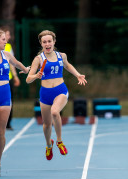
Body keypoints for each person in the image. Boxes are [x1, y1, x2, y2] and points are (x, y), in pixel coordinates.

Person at [26, 30, 87, 160]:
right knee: (47, 124)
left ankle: (59, 141)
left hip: (60, 90)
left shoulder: (61, 56)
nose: (47, 44)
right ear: (41, 44)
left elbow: (68, 65)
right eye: (44, 42)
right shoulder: (38, 59)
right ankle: (49, 145)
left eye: (49, 41)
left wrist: (77, 74)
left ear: (54, 42)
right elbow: (28, 79)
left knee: (55, 112)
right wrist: (36, 76)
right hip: (45, 93)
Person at [0, 30, 30, 176]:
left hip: (4, 96)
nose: (6, 42)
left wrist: (27, 70)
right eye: (3, 39)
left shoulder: (6, 55)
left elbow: (17, 64)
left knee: (0, 133)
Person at [0, 26, 21, 130]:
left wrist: (15, 76)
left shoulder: (8, 47)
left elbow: (12, 63)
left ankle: (7, 123)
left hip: (8, 79)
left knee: (9, 101)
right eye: (7, 34)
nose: (9, 36)